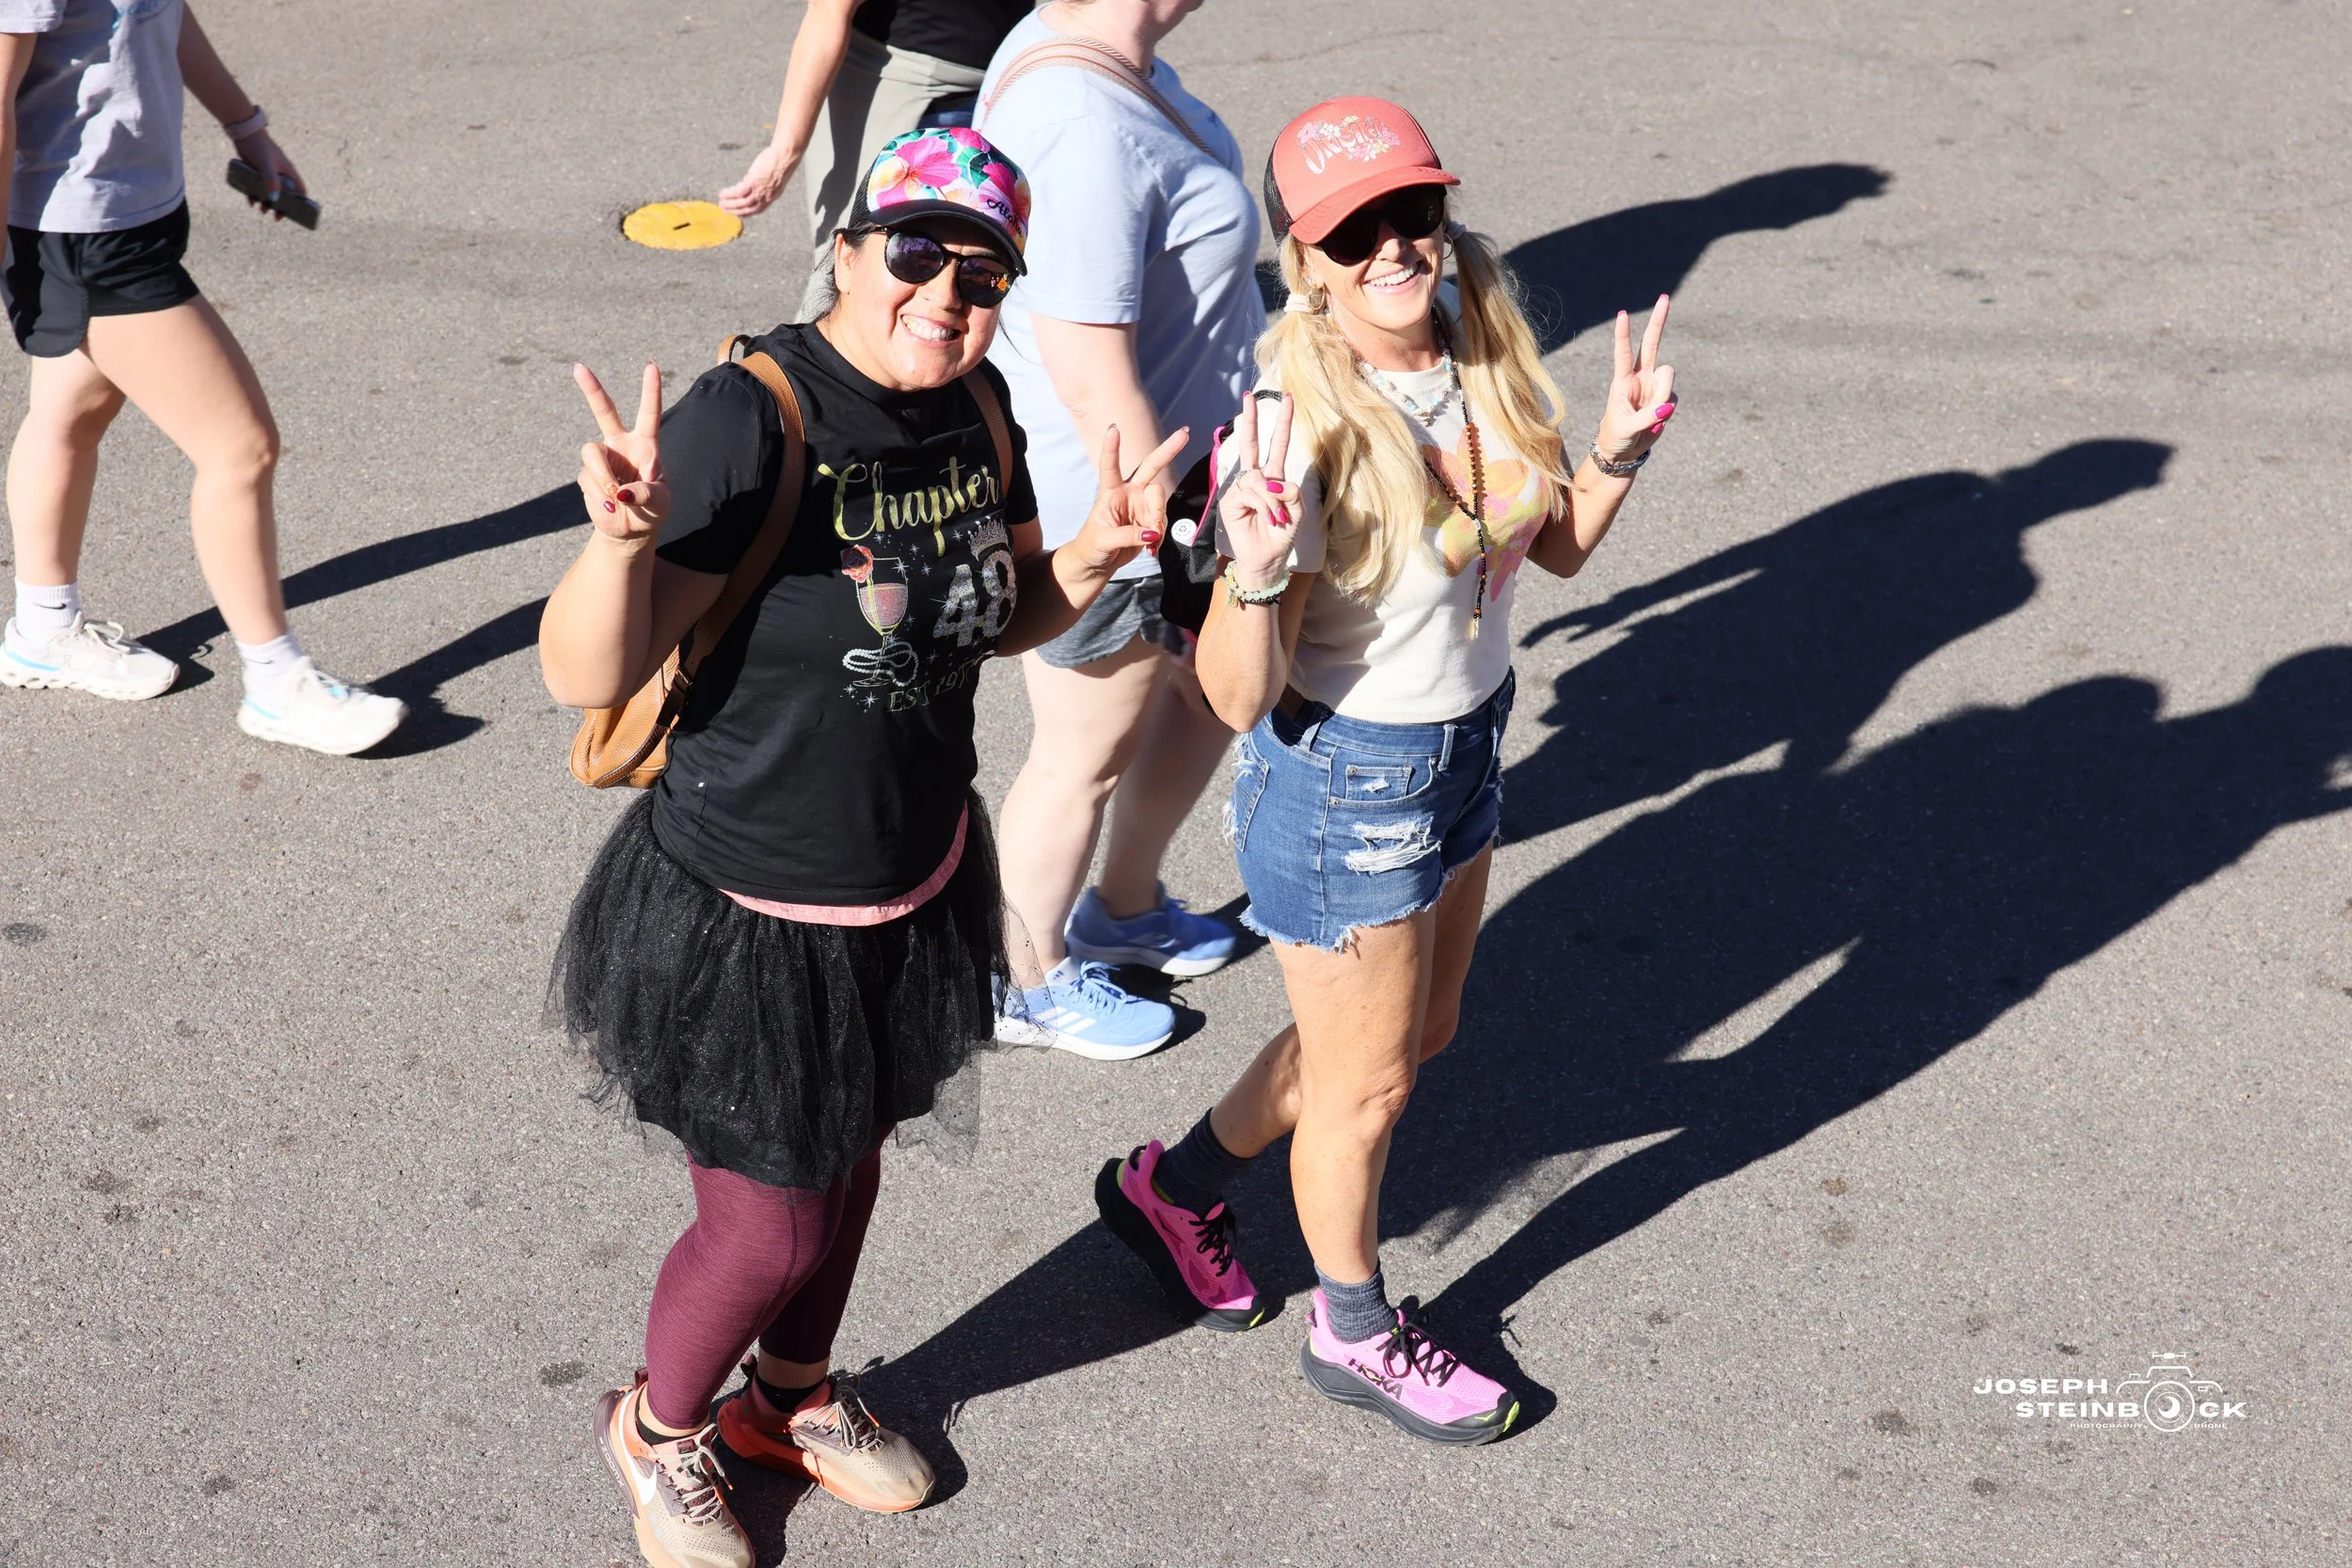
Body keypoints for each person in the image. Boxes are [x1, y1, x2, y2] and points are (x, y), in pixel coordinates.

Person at [542, 130, 1184, 1568]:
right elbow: (585, 675)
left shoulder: (980, 405)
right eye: (917, 251)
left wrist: (1095, 554)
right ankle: (657, 1428)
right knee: (768, 1223)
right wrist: (618, 545)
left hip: (912, 873)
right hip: (748, 902)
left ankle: (788, 1395)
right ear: (845, 247)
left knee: (857, 1161)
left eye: (985, 269)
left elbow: (1000, 611)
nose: (949, 292)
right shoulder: (749, 415)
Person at [1093, 98, 1678, 1445]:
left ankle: (1170, 1187)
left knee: (1414, 1034)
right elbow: (1239, 694)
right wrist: (1249, 558)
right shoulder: (1292, 421)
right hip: (1349, 778)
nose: (1392, 248)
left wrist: (1617, 447)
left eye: (1412, 213)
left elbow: (1550, 550)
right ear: (1306, 261)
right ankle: (1352, 1329)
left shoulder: (1485, 352)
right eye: (1353, 233)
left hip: (1468, 739)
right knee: (1370, 1085)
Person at [975, 0, 1264, 1060]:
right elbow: (1090, 369)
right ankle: (1026, 977)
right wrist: (1165, 535)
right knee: (1081, 752)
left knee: (1209, 697)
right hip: (1122, 501)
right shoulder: (1085, 123)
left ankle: (1125, 908)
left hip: (1191, 478)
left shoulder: (1107, 59)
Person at [0, 3, 404, 754]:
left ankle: (43, 629)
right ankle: (277, 684)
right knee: (240, 447)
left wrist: (246, 128)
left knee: (70, 413)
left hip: (131, 205)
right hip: (83, 231)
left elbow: (164, 12)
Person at [719, 0, 1032, 322]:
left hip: (1010, 77)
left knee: (981, 283)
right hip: (901, 81)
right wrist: (784, 152)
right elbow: (828, 12)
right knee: (854, 282)